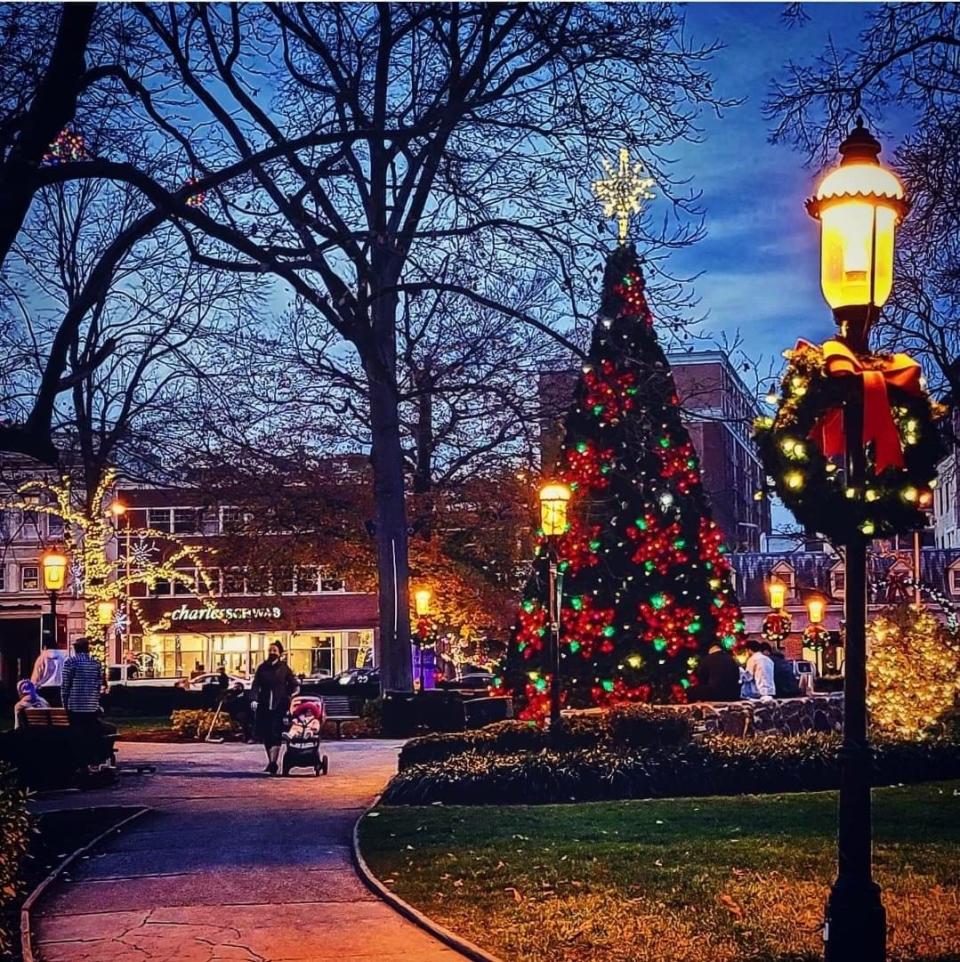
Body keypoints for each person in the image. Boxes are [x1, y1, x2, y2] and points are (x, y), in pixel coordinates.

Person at [250, 642, 299, 774]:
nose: (272, 652)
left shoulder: (284, 668)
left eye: (274, 650)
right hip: (264, 705)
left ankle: (273, 763)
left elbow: (293, 684)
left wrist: (291, 695)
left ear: (280, 653)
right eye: (270, 650)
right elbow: (255, 685)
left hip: (279, 705)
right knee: (266, 734)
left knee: (276, 733)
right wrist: (254, 699)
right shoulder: (262, 668)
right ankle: (271, 762)